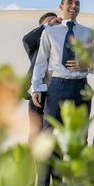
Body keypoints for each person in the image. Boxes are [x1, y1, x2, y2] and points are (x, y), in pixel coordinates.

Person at [31, 0, 94, 186]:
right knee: (49, 135)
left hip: (81, 86)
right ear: (61, 6)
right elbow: (41, 62)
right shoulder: (50, 32)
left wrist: (85, 64)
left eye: (77, 3)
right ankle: (44, 185)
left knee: (81, 136)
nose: (74, 6)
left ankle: (79, 184)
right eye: (70, 2)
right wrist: (36, 87)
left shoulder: (87, 32)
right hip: (57, 87)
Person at [22, 11, 59, 144]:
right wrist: (47, 26)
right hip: (38, 92)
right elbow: (26, 39)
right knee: (35, 132)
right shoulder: (35, 45)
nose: (54, 24)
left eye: (56, 21)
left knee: (53, 132)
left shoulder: (61, 43)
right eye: (50, 22)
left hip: (57, 90)